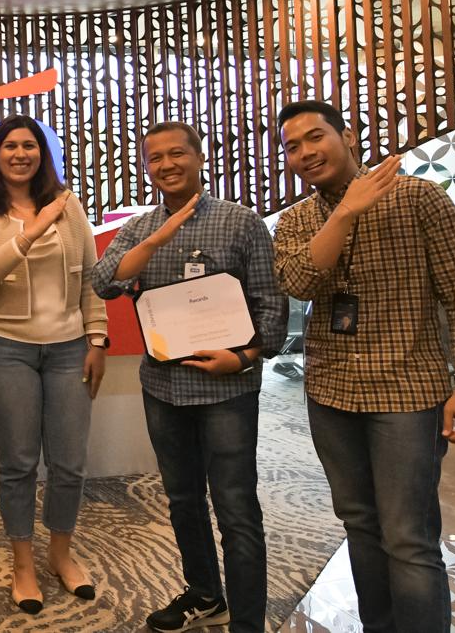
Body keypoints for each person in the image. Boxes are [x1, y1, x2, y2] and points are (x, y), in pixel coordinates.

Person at [273, 100, 455, 633]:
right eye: (292, 147)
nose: (305, 152)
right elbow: (299, 282)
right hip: (330, 392)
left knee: (407, 535)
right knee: (359, 525)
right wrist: (345, 213)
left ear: (347, 136)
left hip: (407, 391)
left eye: (315, 137)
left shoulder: (419, 197)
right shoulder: (298, 219)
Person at [92, 121, 286, 633]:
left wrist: (242, 359)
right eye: (155, 158)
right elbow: (104, 281)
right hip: (163, 387)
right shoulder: (139, 228)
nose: (167, 165)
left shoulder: (241, 222)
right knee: (182, 501)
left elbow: (271, 307)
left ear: (199, 157)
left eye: (177, 153)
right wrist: (157, 237)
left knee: (236, 508)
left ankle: (248, 621)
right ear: (146, 167)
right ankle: (205, 595)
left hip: (228, 388)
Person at [0, 115, 108, 616]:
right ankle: (23, 562)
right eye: (9, 146)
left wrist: (98, 337)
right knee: (19, 461)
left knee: (69, 462)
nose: (20, 154)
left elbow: (90, 277)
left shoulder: (68, 205)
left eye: (29, 145)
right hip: (5, 348)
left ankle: (60, 554)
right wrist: (29, 234)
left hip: (68, 348)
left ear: (42, 153)